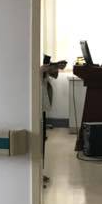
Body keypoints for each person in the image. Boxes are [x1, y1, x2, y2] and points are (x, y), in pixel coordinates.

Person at [41, 56, 67, 187]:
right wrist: (45, 69)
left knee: (42, 141)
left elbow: (54, 75)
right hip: (36, 106)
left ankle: (39, 172)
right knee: (39, 141)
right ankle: (37, 174)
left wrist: (54, 67)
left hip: (42, 106)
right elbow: (38, 71)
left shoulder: (40, 58)